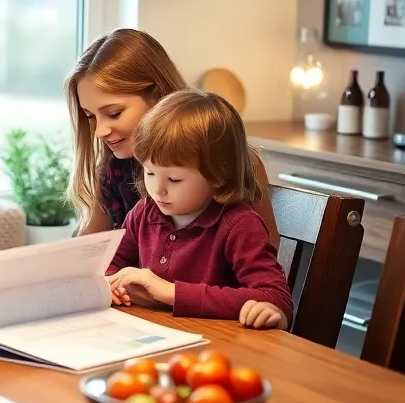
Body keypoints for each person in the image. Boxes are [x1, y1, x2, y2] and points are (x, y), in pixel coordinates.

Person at [65, 28, 280, 246]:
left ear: (157, 96)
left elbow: (264, 255)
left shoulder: (234, 163)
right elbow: (89, 244)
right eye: (90, 116)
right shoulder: (114, 168)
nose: (100, 131)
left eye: (114, 113)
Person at [106, 90, 293, 329]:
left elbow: (276, 297)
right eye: (150, 172)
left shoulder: (239, 224)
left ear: (218, 175)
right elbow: (110, 264)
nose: (157, 190)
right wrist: (113, 285)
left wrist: (171, 292)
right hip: (155, 336)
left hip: (217, 349)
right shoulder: (145, 211)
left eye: (174, 179)